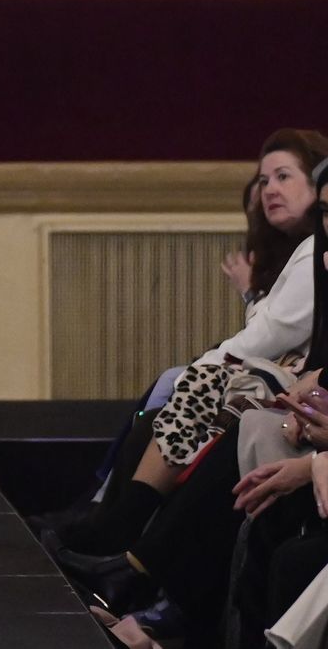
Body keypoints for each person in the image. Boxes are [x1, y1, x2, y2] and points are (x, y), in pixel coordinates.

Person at [58, 130, 328, 557]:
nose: (270, 190)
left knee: (190, 382)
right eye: (264, 181)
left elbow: (274, 332)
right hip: (289, 375)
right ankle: (111, 519)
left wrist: (217, 352)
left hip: (298, 382)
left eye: (283, 177)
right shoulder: (292, 248)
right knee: (170, 394)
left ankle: (117, 527)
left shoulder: (316, 250)